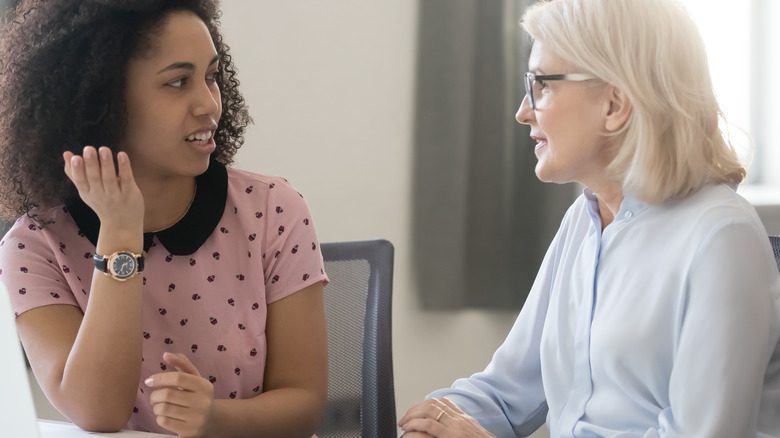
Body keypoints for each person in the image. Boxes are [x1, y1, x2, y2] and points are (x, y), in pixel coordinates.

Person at [399, 0, 780, 436]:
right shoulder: (584, 220)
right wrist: (432, 423)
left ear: (614, 106)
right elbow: (507, 393)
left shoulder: (722, 239)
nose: (523, 111)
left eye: (542, 85)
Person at [0, 1, 328, 437]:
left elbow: (305, 404)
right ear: (102, 99)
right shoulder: (34, 247)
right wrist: (119, 234)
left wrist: (215, 420)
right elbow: (98, 413)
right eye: (177, 82)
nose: (209, 104)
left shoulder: (273, 209)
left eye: (211, 77)